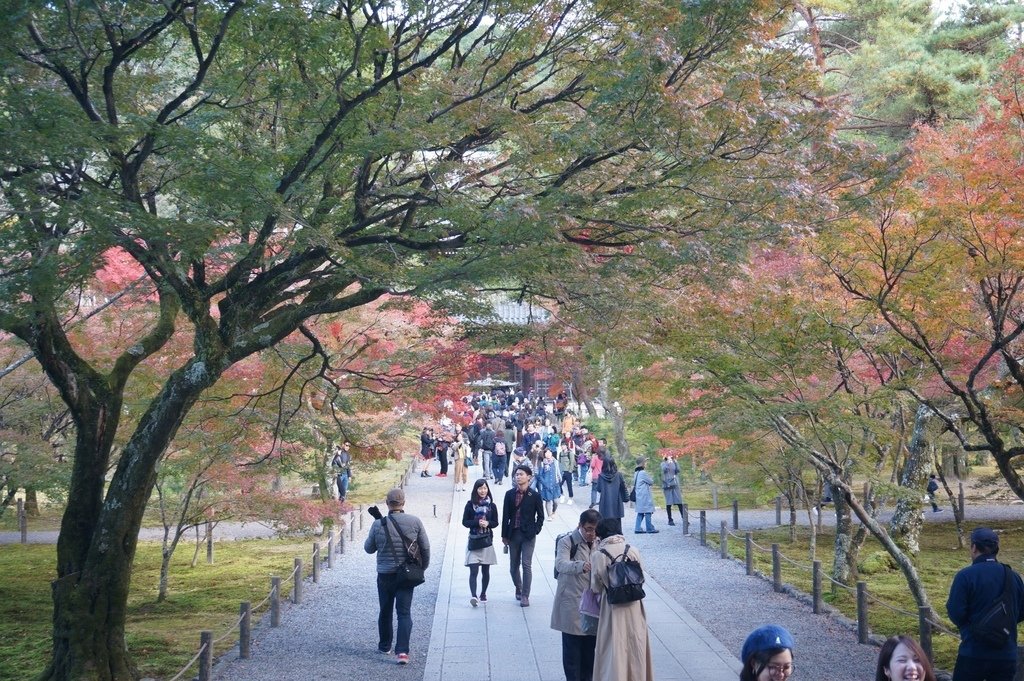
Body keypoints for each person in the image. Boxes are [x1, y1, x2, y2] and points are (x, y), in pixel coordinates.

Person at [946, 527, 1024, 681]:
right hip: (1006, 653)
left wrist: (972, 627)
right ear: (997, 548)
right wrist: (1002, 626)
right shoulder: (1013, 576)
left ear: (974, 547)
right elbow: (1021, 611)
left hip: (973, 652)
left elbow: (956, 613)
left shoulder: (965, 576)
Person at [364, 488, 431, 665]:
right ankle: (402, 652)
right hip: (406, 575)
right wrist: (422, 567)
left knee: (385, 611)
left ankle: (385, 645)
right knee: (404, 612)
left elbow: (368, 548)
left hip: (385, 574)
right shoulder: (415, 521)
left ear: (387, 503)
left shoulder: (378, 524)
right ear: (403, 503)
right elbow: (425, 548)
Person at [590, 517, 653, 681]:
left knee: (613, 647)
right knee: (636, 645)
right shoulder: (632, 549)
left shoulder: (598, 554)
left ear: (600, 533)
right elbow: (641, 577)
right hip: (634, 605)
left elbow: (595, 587)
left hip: (611, 607)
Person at [552, 509, 602, 681]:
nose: (591, 533)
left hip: (593, 605)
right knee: (572, 653)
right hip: (571, 602)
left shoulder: (599, 542)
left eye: (594, 529)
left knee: (590, 653)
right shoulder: (567, 541)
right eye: (588, 529)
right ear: (580, 525)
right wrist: (580, 566)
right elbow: (560, 564)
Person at [501, 464, 545, 607]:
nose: (518, 476)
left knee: (526, 564)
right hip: (513, 533)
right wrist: (504, 535)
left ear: (529, 477)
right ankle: (518, 587)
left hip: (528, 535)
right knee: (513, 566)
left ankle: (525, 595)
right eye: (516, 474)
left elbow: (541, 516)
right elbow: (505, 516)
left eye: (521, 474)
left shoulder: (535, 495)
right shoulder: (509, 494)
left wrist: (536, 529)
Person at [462, 478, 499, 607]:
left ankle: (483, 592)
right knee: (473, 571)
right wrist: (477, 522)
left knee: (485, 570)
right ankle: (473, 595)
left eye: (485, 488)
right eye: (480, 488)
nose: (483, 491)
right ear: (476, 490)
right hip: (474, 540)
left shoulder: (492, 505)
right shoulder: (470, 505)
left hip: (487, 541)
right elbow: (465, 522)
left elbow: (495, 522)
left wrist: (488, 523)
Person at [595, 458, 628, 523]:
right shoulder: (619, 475)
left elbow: (598, 489)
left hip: (605, 503)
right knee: (617, 525)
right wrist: (625, 498)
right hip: (617, 502)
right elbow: (623, 488)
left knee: (605, 525)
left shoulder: (601, 476)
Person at [631, 459, 658, 534]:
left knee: (640, 512)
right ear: (642, 463)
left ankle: (637, 528)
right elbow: (651, 481)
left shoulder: (636, 472)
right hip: (644, 495)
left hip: (639, 495)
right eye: (645, 462)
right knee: (648, 511)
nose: (646, 463)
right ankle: (649, 528)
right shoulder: (643, 473)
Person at [538, 448, 562, 519]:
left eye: (549, 452)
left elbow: (558, 471)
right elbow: (540, 475)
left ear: (551, 453)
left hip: (555, 484)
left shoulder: (555, 462)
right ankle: (549, 515)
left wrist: (559, 478)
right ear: (544, 454)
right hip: (546, 485)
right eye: (546, 453)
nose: (548, 454)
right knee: (548, 500)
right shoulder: (542, 463)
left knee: (556, 501)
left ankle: (554, 511)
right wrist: (544, 482)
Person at [661, 455, 684, 526]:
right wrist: (668, 462)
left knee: (679, 502)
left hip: (675, 484)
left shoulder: (674, 462)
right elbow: (664, 469)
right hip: (667, 484)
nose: (670, 457)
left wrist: (676, 462)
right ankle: (670, 519)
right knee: (669, 502)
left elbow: (678, 470)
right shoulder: (663, 463)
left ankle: (684, 518)